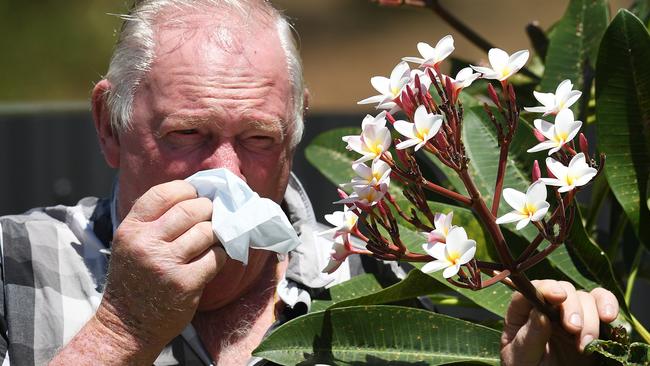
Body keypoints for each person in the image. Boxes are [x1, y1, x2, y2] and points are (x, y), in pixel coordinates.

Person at [0, 1, 619, 365]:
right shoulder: (15, 264)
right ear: (111, 126)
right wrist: (120, 332)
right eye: (187, 134)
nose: (225, 173)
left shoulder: (380, 280)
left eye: (257, 139)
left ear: (294, 134)